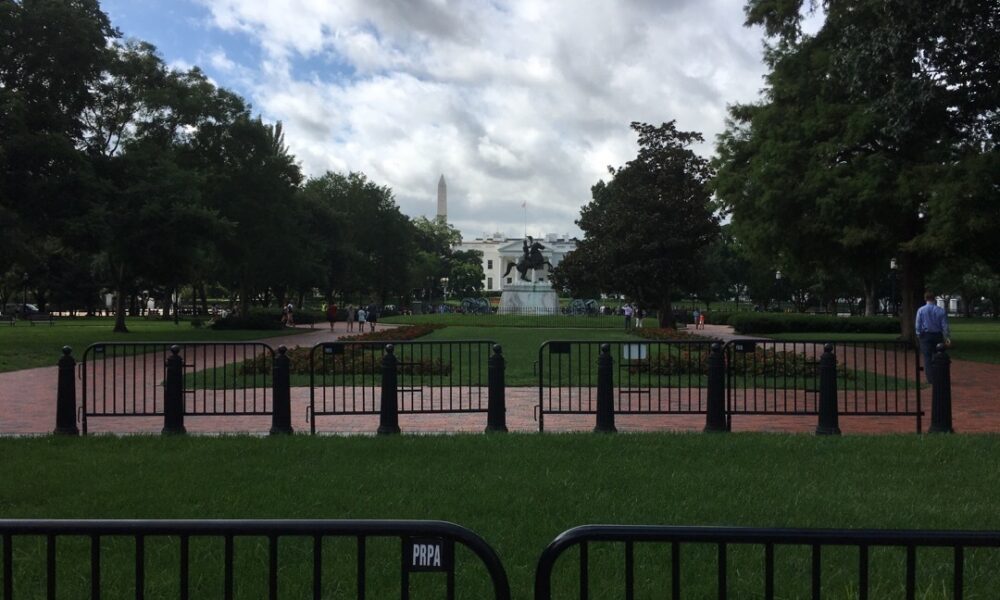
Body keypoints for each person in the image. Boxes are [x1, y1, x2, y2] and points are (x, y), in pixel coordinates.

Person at [915, 291, 951, 383]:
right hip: (937, 335)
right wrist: (947, 336)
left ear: (925, 298)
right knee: (938, 356)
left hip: (925, 335)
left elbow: (918, 324)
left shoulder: (921, 310)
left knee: (927, 357)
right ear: (934, 298)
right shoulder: (940, 310)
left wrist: (918, 334)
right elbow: (945, 325)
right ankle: (938, 376)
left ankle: (930, 379)